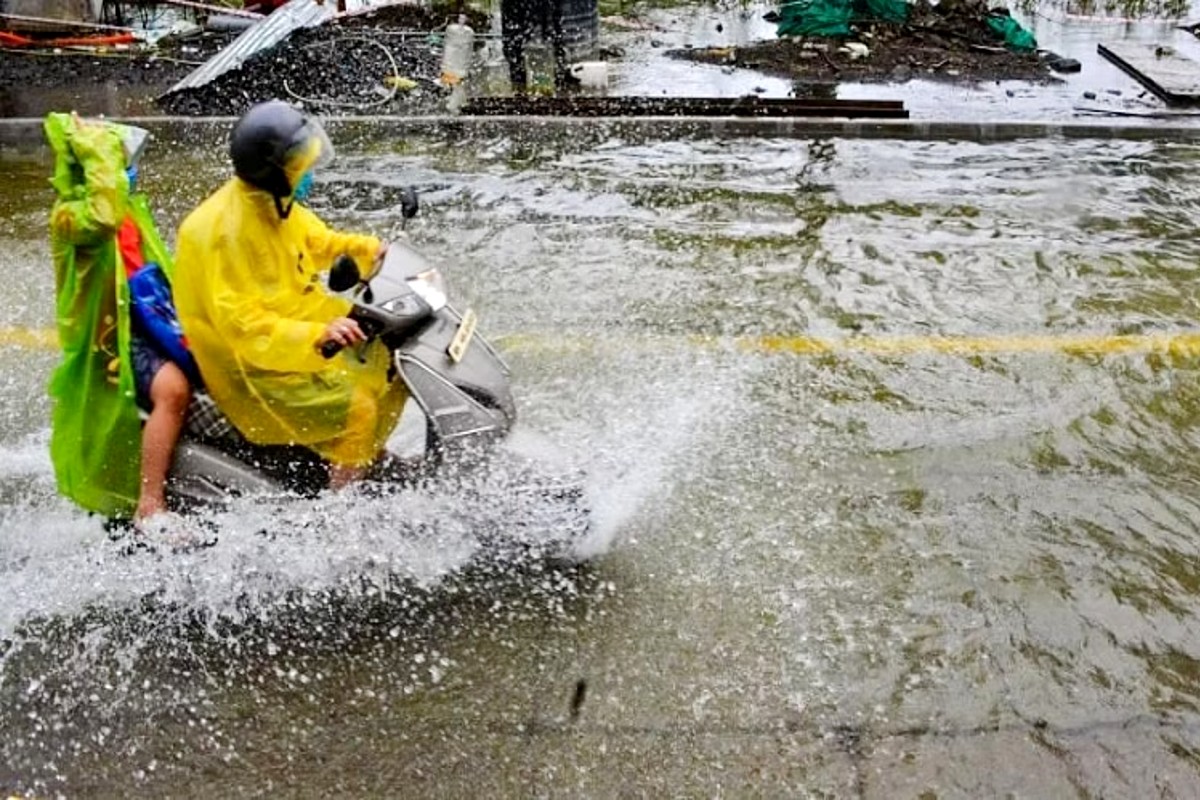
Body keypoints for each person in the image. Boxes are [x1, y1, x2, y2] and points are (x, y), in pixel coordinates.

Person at [172, 100, 408, 489]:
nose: (308, 174)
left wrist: (372, 251)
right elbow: (244, 325)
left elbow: (320, 241)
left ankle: (358, 456)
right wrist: (317, 335)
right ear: (275, 173)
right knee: (360, 407)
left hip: (296, 341)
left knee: (391, 363)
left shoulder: (273, 205)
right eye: (301, 166)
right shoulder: (223, 231)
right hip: (255, 370)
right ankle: (343, 510)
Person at [44, 113, 196, 529]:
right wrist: (97, 150)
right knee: (173, 390)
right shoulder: (71, 215)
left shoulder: (127, 209)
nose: (125, 169)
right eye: (113, 159)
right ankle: (150, 502)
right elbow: (102, 216)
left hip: (146, 323)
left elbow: (154, 271)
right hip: (110, 338)